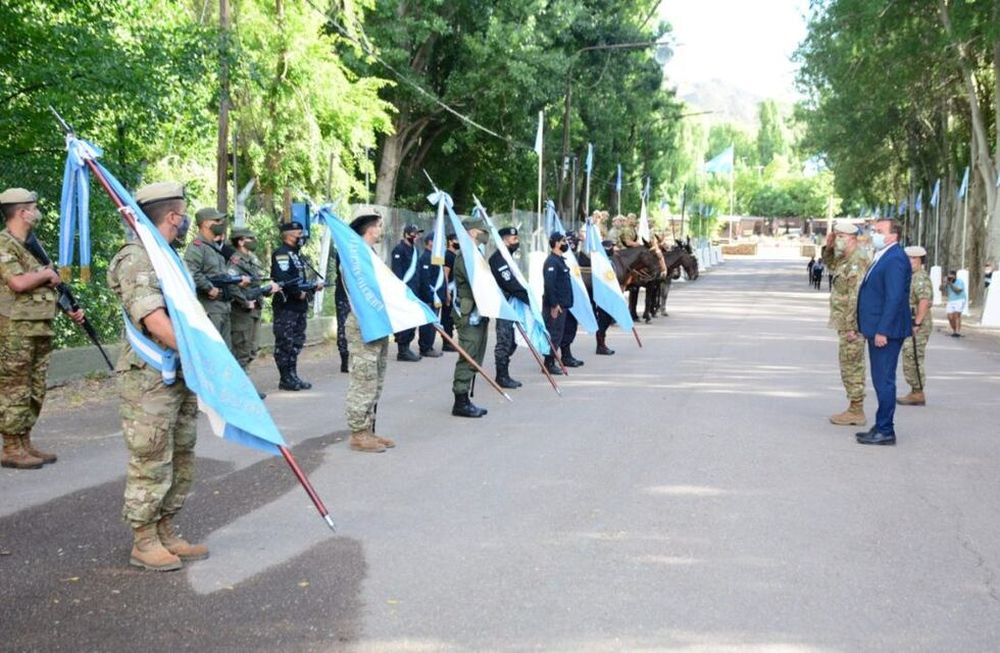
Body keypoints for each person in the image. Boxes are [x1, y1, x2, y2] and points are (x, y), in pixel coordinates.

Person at [107, 181, 206, 571]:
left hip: (178, 372)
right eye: (183, 216)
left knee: (181, 452)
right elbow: (156, 322)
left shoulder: (166, 256)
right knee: (151, 457)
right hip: (149, 378)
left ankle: (166, 529)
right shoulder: (137, 258)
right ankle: (143, 539)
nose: (185, 223)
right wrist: (204, 355)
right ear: (172, 217)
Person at [0, 188, 85, 470]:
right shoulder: (4, 244)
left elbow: (48, 287)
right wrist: (47, 274)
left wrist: (70, 308)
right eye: (33, 207)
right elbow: (18, 283)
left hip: (38, 327)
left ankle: (24, 441)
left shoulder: (32, 246)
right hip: (14, 330)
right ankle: (11, 447)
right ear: (22, 212)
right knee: (15, 389)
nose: (37, 212)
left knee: (35, 388)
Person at [856, 218, 911, 446]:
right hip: (877, 328)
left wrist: (883, 330)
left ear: (892, 235)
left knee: (884, 380)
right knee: (880, 379)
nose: (874, 234)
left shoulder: (896, 259)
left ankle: (886, 430)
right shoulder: (884, 255)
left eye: (879, 231)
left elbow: (895, 298)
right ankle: (881, 425)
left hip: (885, 332)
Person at [342, 213, 393, 453]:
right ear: (370, 230)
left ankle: (369, 429)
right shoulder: (354, 258)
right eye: (379, 226)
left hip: (378, 322)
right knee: (363, 379)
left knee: (375, 378)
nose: (381, 230)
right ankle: (358, 434)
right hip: (363, 323)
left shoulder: (369, 255)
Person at [822, 223, 870, 426]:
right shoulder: (845, 258)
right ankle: (854, 406)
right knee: (847, 363)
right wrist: (829, 246)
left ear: (852, 238)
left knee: (852, 364)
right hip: (844, 321)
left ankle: (856, 409)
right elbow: (830, 265)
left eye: (840, 236)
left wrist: (852, 326)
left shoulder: (858, 260)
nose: (837, 238)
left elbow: (856, 296)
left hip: (852, 324)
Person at [183, 207, 248, 349]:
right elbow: (190, 271)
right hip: (210, 309)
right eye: (217, 220)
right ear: (206, 223)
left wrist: (237, 281)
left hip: (223, 307)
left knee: (225, 353)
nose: (221, 223)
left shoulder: (215, 248)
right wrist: (209, 287)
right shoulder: (197, 247)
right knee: (212, 350)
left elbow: (223, 275)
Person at [271, 220, 323, 391]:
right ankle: (285, 377)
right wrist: (297, 292)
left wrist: (312, 288)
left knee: (296, 342)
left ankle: (292, 374)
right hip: (287, 306)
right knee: (285, 342)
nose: (302, 237)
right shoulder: (282, 253)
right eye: (299, 234)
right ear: (289, 235)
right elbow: (284, 278)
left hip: (299, 306)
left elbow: (300, 280)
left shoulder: (297, 254)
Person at [228, 227, 278, 396]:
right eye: (251, 238)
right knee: (241, 350)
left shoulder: (252, 259)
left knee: (251, 349)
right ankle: (242, 390)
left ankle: (244, 385)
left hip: (255, 309)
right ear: (241, 241)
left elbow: (256, 283)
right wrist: (244, 301)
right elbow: (232, 285)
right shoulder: (234, 261)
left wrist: (267, 290)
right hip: (241, 311)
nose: (254, 241)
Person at [451, 218, 491, 418]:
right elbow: (477, 283)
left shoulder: (475, 254)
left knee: (476, 354)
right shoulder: (466, 257)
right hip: (469, 314)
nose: (485, 234)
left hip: (479, 311)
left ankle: (466, 398)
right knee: (468, 354)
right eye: (482, 230)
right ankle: (460, 401)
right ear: (472, 232)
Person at [489, 227, 529, 389]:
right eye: (514, 239)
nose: (517, 242)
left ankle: (503, 372)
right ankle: (501, 376)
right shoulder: (498, 259)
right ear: (504, 240)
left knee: (512, 341)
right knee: (505, 341)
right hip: (503, 304)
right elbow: (509, 283)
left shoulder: (509, 256)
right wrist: (527, 298)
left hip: (512, 303)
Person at [898, 245, 932, 406]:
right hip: (910, 322)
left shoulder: (920, 277)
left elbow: (924, 301)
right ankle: (915, 391)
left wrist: (917, 322)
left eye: (913, 259)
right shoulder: (911, 276)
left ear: (920, 261)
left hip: (917, 324)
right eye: (908, 258)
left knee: (913, 357)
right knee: (909, 356)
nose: (910, 261)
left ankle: (918, 392)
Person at [390, 223, 424, 361]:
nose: (416, 237)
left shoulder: (415, 250)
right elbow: (397, 273)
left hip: (414, 290)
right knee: (404, 320)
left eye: (417, 234)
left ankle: (407, 346)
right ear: (406, 234)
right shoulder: (399, 250)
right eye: (413, 234)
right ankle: (402, 350)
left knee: (412, 320)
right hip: (404, 291)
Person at [542, 232, 573, 375]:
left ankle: (551, 361)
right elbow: (550, 285)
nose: (565, 243)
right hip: (555, 306)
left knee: (558, 334)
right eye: (563, 241)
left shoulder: (560, 260)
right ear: (555, 243)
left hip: (562, 304)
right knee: (553, 333)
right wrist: (554, 304)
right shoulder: (552, 262)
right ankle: (548, 364)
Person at [415, 232, 445, 358]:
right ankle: (425, 347)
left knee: (433, 323)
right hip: (429, 296)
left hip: (436, 296)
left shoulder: (435, 257)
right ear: (430, 242)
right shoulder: (426, 258)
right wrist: (428, 297)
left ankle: (430, 345)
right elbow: (425, 279)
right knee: (427, 324)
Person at [330, 247, 351, 373]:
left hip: (360, 296)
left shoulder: (365, 248)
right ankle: (345, 360)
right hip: (344, 294)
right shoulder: (345, 250)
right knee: (343, 327)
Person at [440, 233, 459, 351]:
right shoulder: (448, 255)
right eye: (456, 240)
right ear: (450, 241)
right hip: (449, 290)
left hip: (454, 291)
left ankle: (449, 340)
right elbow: (445, 274)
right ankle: (446, 343)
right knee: (447, 317)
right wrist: (446, 293)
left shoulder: (454, 255)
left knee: (451, 318)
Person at [941, 269, 966, 337]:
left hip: (960, 299)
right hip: (951, 300)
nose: (950, 278)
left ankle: (957, 332)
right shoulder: (947, 282)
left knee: (956, 315)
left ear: (955, 276)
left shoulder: (960, 281)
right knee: (950, 317)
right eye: (949, 277)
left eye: (951, 277)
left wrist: (951, 284)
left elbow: (958, 291)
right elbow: (941, 289)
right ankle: (954, 330)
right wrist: (944, 283)